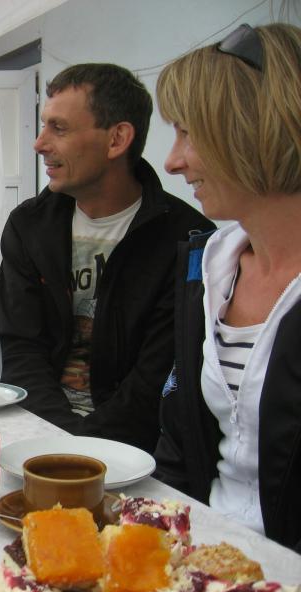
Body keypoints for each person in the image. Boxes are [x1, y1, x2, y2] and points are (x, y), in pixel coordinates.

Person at [0, 63, 213, 453]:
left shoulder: (187, 239)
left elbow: (157, 378)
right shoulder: (28, 226)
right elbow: (19, 348)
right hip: (37, 430)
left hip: (135, 451)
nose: (39, 143)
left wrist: (83, 451)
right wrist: (61, 441)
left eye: (59, 128)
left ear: (117, 139)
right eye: (43, 126)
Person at [154, 23, 301, 553]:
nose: (172, 161)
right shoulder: (208, 266)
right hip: (206, 561)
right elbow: (181, 442)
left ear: (252, 128)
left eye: (188, 133)